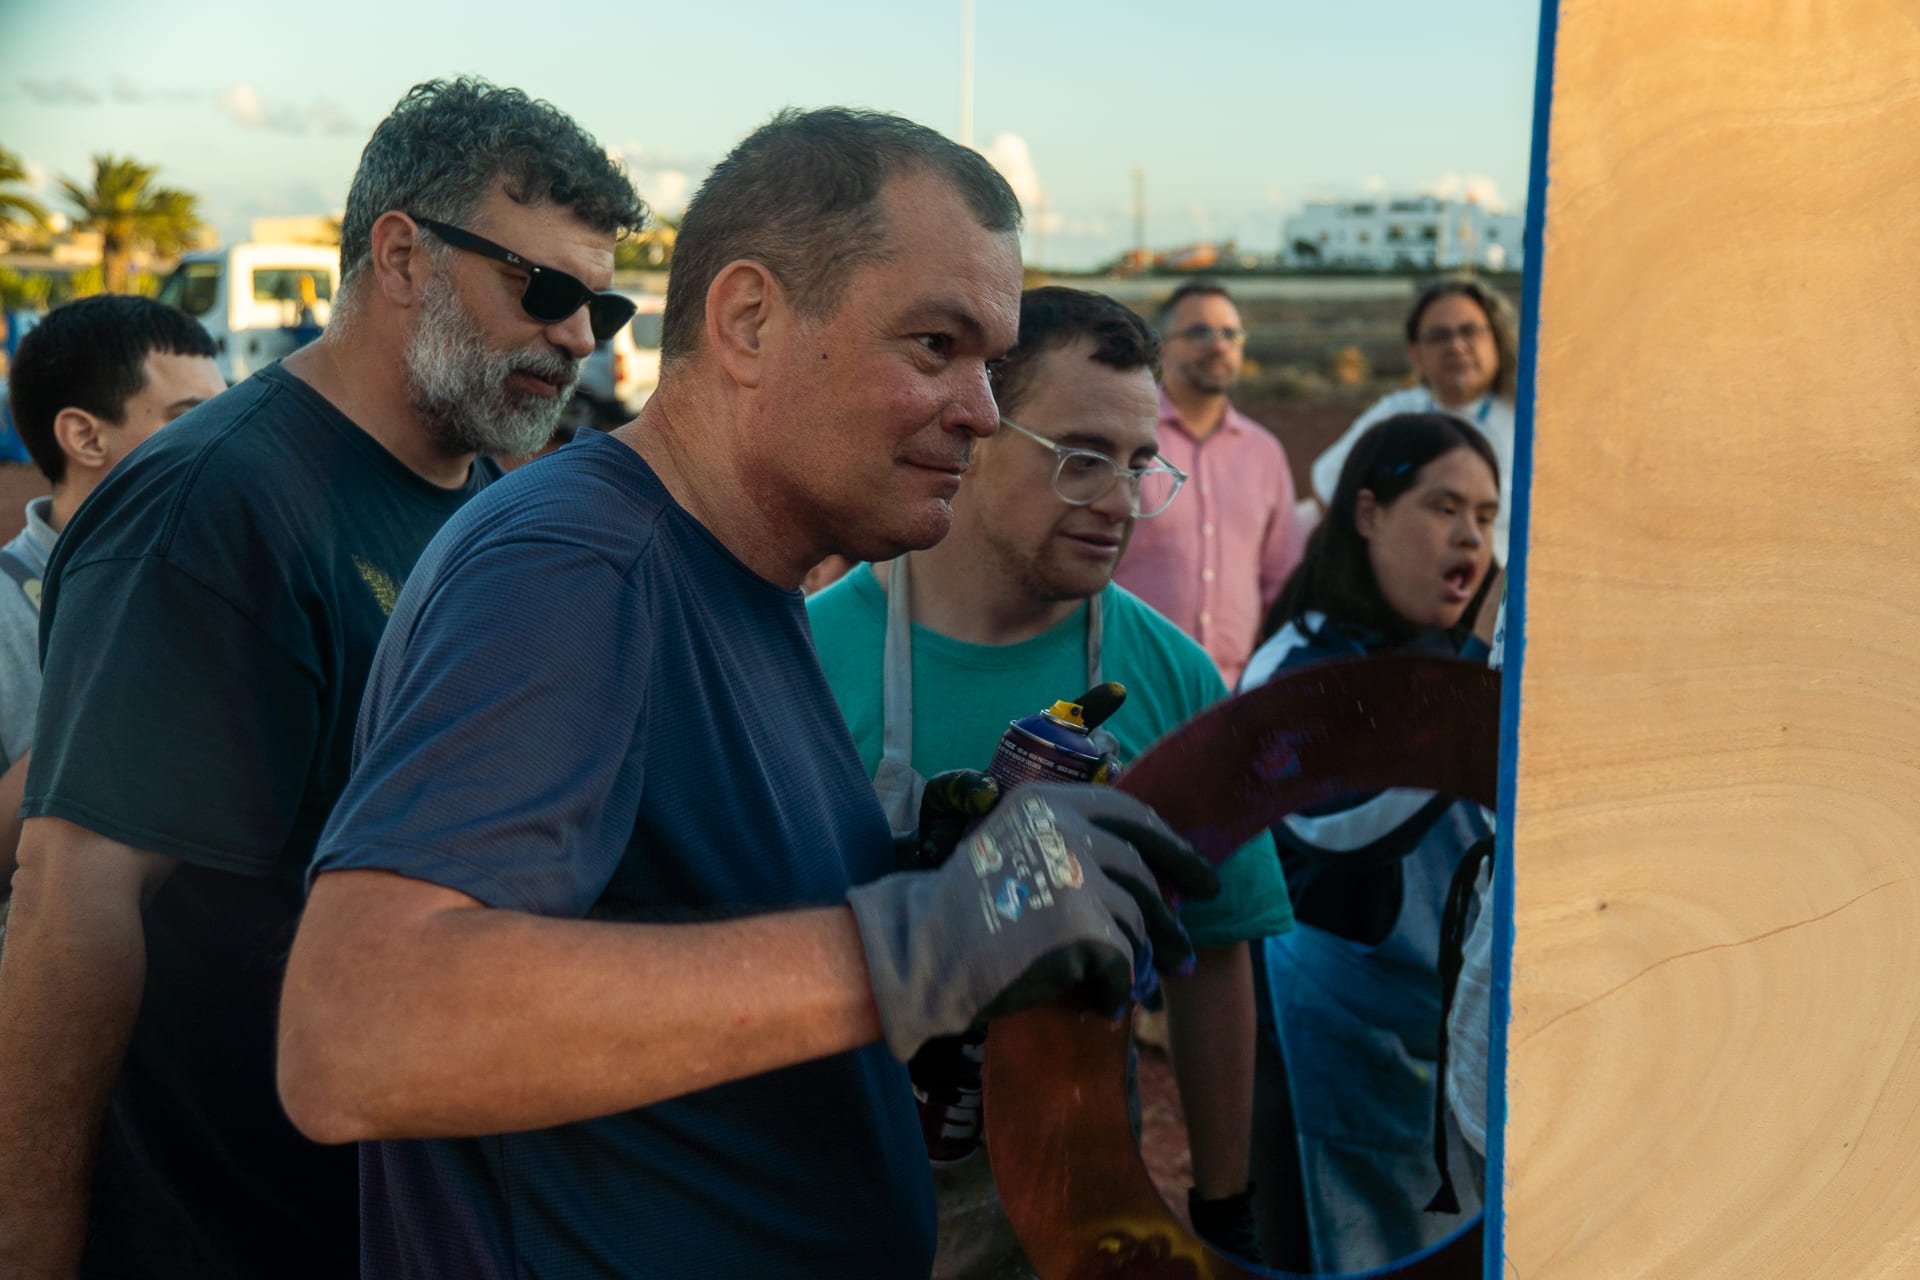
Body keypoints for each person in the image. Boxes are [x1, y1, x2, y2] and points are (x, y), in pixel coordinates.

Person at [274, 107, 1219, 1280]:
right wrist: (919, 943)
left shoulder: (736, 572)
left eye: (990, 359)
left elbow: (671, 913)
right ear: (749, 320)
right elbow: (359, 1029)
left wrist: (916, 880)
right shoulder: (577, 567)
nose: (983, 407)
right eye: (937, 345)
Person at [0, 78, 645, 1280]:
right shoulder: (216, 502)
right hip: (231, 1222)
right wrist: (32, 1241)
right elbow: (74, 897)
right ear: (401, 256)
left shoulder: (499, 507)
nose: (576, 336)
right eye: (545, 290)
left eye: (600, 308)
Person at [808, 284, 1293, 1272]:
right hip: (828, 1195)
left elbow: (1219, 956)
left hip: (1072, 1209)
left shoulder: (1170, 675)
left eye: (1139, 463)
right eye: (1081, 459)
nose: (1120, 503)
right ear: (978, 427)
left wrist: (1224, 1197)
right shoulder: (808, 658)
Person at [1241, 412, 1501, 1274]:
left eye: (1488, 516)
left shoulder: (1472, 657)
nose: (1470, 535)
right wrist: (1470, 671)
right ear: (1366, 514)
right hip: (1329, 1031)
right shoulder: (1295, 664)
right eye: (1443, 506)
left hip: (1447, 1021)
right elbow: (1345, 828)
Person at [0, 296, 223, 897]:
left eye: (233, 412)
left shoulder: (230, 579)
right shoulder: (4, 612)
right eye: (193, 417)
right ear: (84, 437)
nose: (229, 441)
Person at [1111, 281, 1303, 689]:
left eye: (1230, 334)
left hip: (1233, 693)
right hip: (1131, 682)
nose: (1218, 345)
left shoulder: (1264, 452)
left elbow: (1281, 582)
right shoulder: (1126, 439)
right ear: (1161, 347)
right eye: (1199, 333)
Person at [1310, 277, 1518, 562]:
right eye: (1438, 336)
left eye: (1470, 331)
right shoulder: (1397, 414)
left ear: (1497, 338)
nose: (1456, 346)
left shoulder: (1534, 421)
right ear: (1415, 353)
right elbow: (1326, 485)